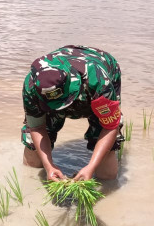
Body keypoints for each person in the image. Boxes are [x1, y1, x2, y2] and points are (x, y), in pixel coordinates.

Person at [22, 45, 123, 181]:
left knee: (106, 172)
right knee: (32, 151)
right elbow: (36, 127)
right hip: (58, 87)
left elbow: (110, 126)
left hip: (97, 76)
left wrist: (91, 167)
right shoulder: (32, 86)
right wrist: (49, 167)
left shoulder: (98, 81)